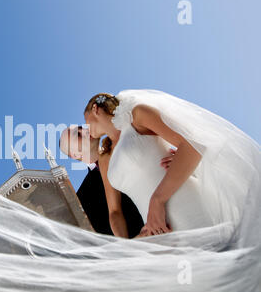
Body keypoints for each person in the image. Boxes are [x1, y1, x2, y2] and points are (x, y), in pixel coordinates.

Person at [83, 90, 260, 239]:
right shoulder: (105, 158)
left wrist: (157, 200)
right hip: (157, 229)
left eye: (86, 122)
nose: (87, 129)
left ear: (95, 109)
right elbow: (114, 212)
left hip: (187, 203)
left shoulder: (137, 115)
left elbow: (194, 146)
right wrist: (128, 245)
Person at [59, 125, 175, 238]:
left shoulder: (125, 143)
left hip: (176, 206)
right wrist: (138, 240)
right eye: (77, 135)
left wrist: (175, 158)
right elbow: (108, 238)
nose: (85, 131)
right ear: (75, 155)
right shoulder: (84, 199)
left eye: (82, 128)